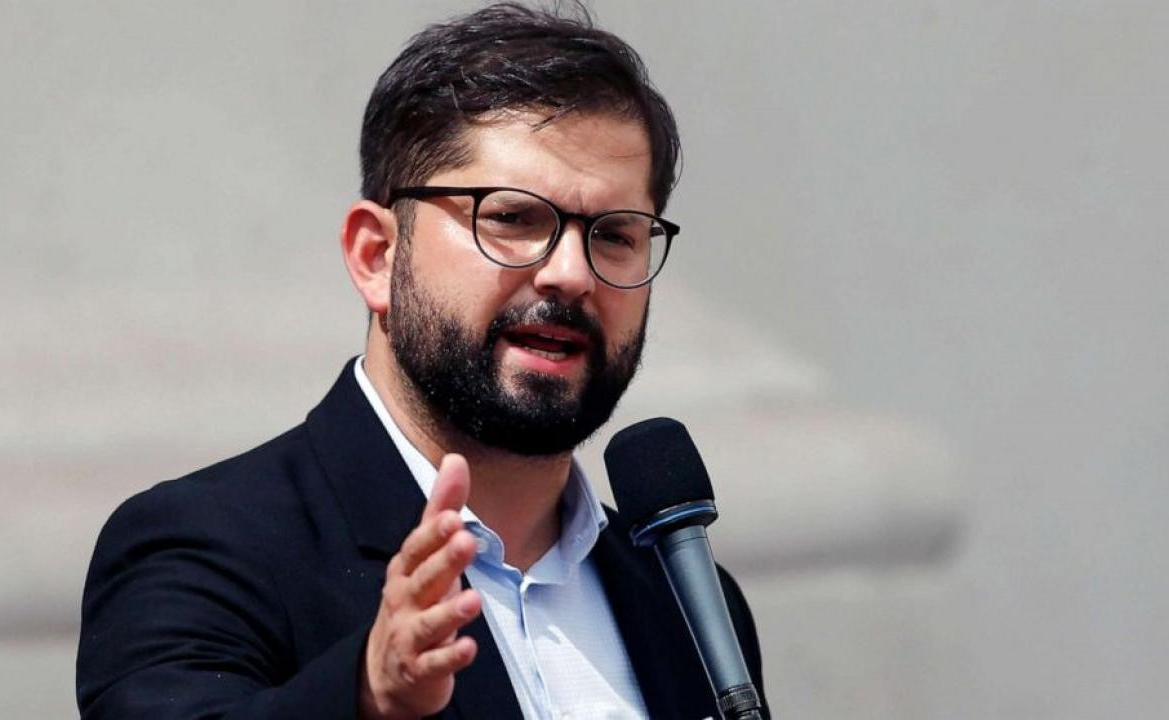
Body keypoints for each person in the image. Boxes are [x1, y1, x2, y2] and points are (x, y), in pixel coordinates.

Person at [76, 3, 769, 718]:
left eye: (616, 235)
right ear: (377, 256)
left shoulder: (686, 599)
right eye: (512, 218)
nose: (570, 274)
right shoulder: (204, 546)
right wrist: (369, 696)